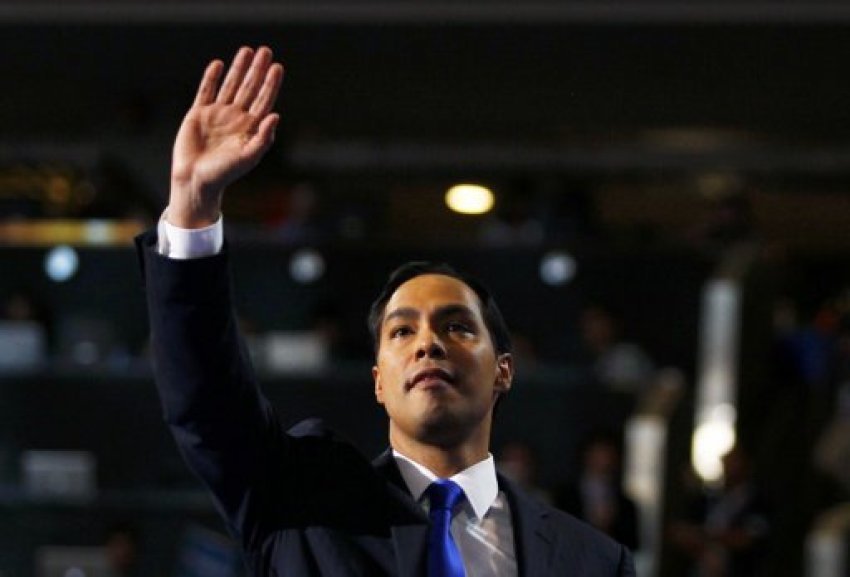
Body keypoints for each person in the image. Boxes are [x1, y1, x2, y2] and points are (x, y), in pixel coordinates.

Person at [136, 45, 635, 576]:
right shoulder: (298, 505)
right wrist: (192, 203)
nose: (428, 343)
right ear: (378, 381)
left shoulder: (593, 561)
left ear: (503, 370)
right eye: (401, 332)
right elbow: (208, 405)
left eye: (458, 326)